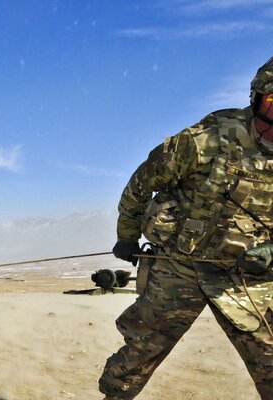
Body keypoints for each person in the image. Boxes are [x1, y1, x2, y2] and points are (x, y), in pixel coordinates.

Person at [99, 58, 273, 400]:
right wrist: (127, 235)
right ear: (257, 99)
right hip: (180, 265)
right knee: (141, 349)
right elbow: (140, 184)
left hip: (245, 276)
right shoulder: (207, 140)